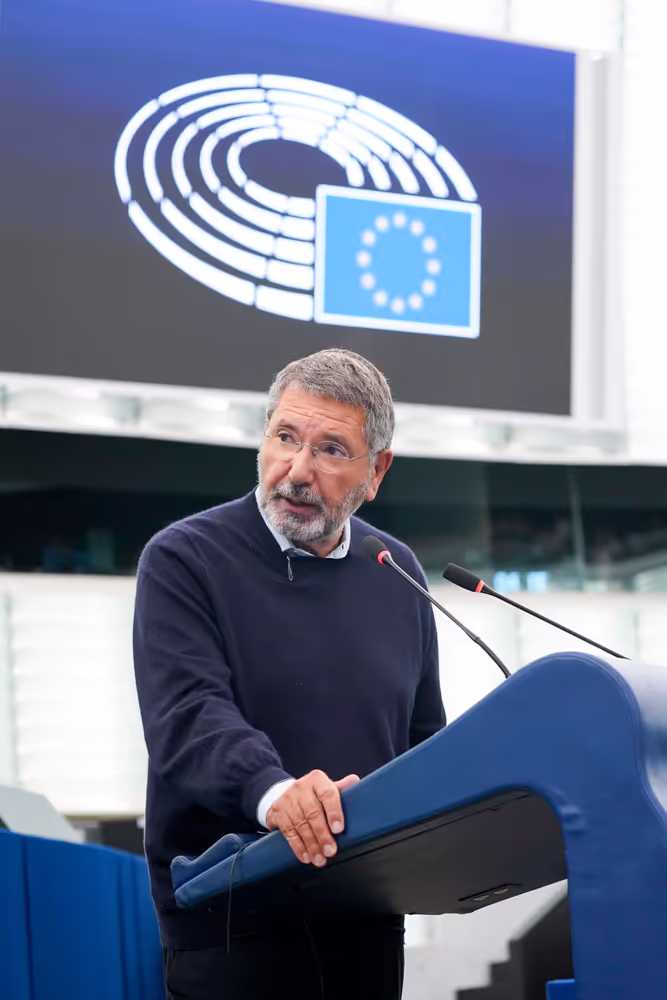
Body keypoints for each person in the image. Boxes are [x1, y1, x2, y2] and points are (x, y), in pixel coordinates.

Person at [133, 348, 445, 1000]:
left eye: (331, 449)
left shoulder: (395, 569)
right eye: (284, 438)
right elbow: (189, 715)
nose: (297, 471)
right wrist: (274, 794)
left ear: (376, 471)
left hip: (364, 924)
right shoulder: (185, 559)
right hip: (233, 926)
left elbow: (421, 740)